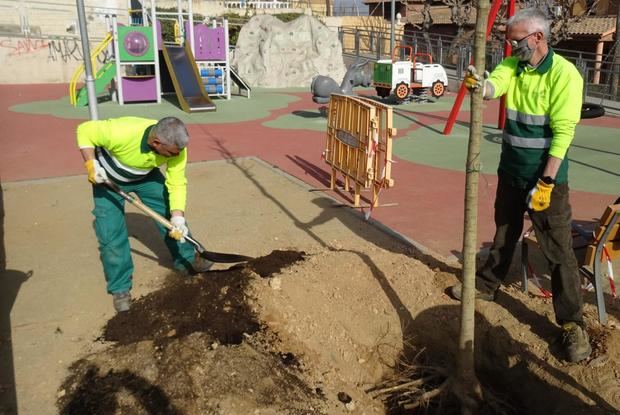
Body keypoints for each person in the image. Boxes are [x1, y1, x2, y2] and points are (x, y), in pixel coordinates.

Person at [451, 8, 591, 362]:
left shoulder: (565, 76)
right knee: (504, 232)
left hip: (547, 179)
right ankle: (486, 286)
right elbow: (494, 84)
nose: (510, 48)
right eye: (508, 41)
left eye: (516, 41)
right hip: (511, 171)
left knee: (558, 250)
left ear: (538, 38)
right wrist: (480, 86)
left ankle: (573, 324)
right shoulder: (514, 67)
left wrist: (546, 181)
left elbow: (563, 135)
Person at [77, 116, 212, 313]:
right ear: (156, 143)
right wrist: (91, 164)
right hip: (106, 179)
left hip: (146, 176)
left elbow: (176, 182)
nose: (177, 155)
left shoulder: (177, 149)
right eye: (172, 153)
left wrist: (177, 216)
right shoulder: (123, 131)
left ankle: (187, 259)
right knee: (111, 234)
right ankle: (120, 288)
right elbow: (85, 130)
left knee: (168, 215)